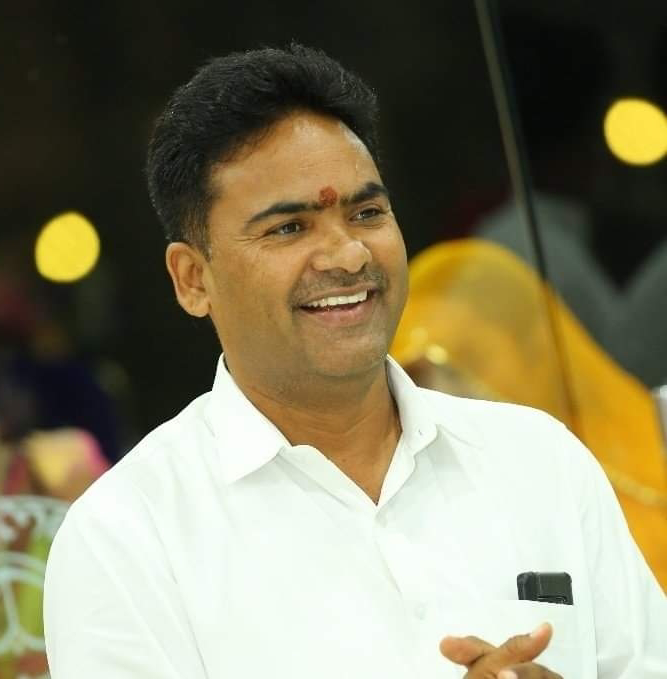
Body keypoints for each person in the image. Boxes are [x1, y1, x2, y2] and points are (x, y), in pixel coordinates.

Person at [43, 44, 667, 678]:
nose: (348, 255)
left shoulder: (537, 461)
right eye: (289, 228)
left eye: (367, 213)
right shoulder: (128, 537)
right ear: (193, 279)